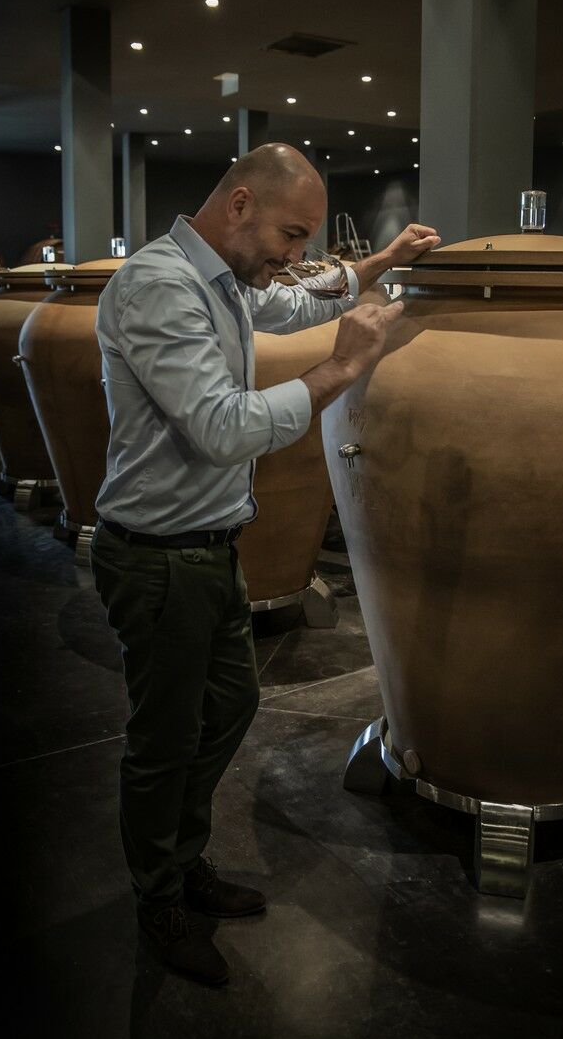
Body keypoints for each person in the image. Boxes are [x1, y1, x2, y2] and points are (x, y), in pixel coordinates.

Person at [91, 143, 440, 985]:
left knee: (227, 706)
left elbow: (287, 303)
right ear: (239, 205)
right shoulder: (157, 285)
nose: (293, 255)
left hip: (205, 550)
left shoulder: (221, 279)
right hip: (158, 559)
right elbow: (220, 428)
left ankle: (180, 858)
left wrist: (376, 267)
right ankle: (159, 897)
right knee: (165, 740)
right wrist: (345, 366)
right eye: (289, 233)